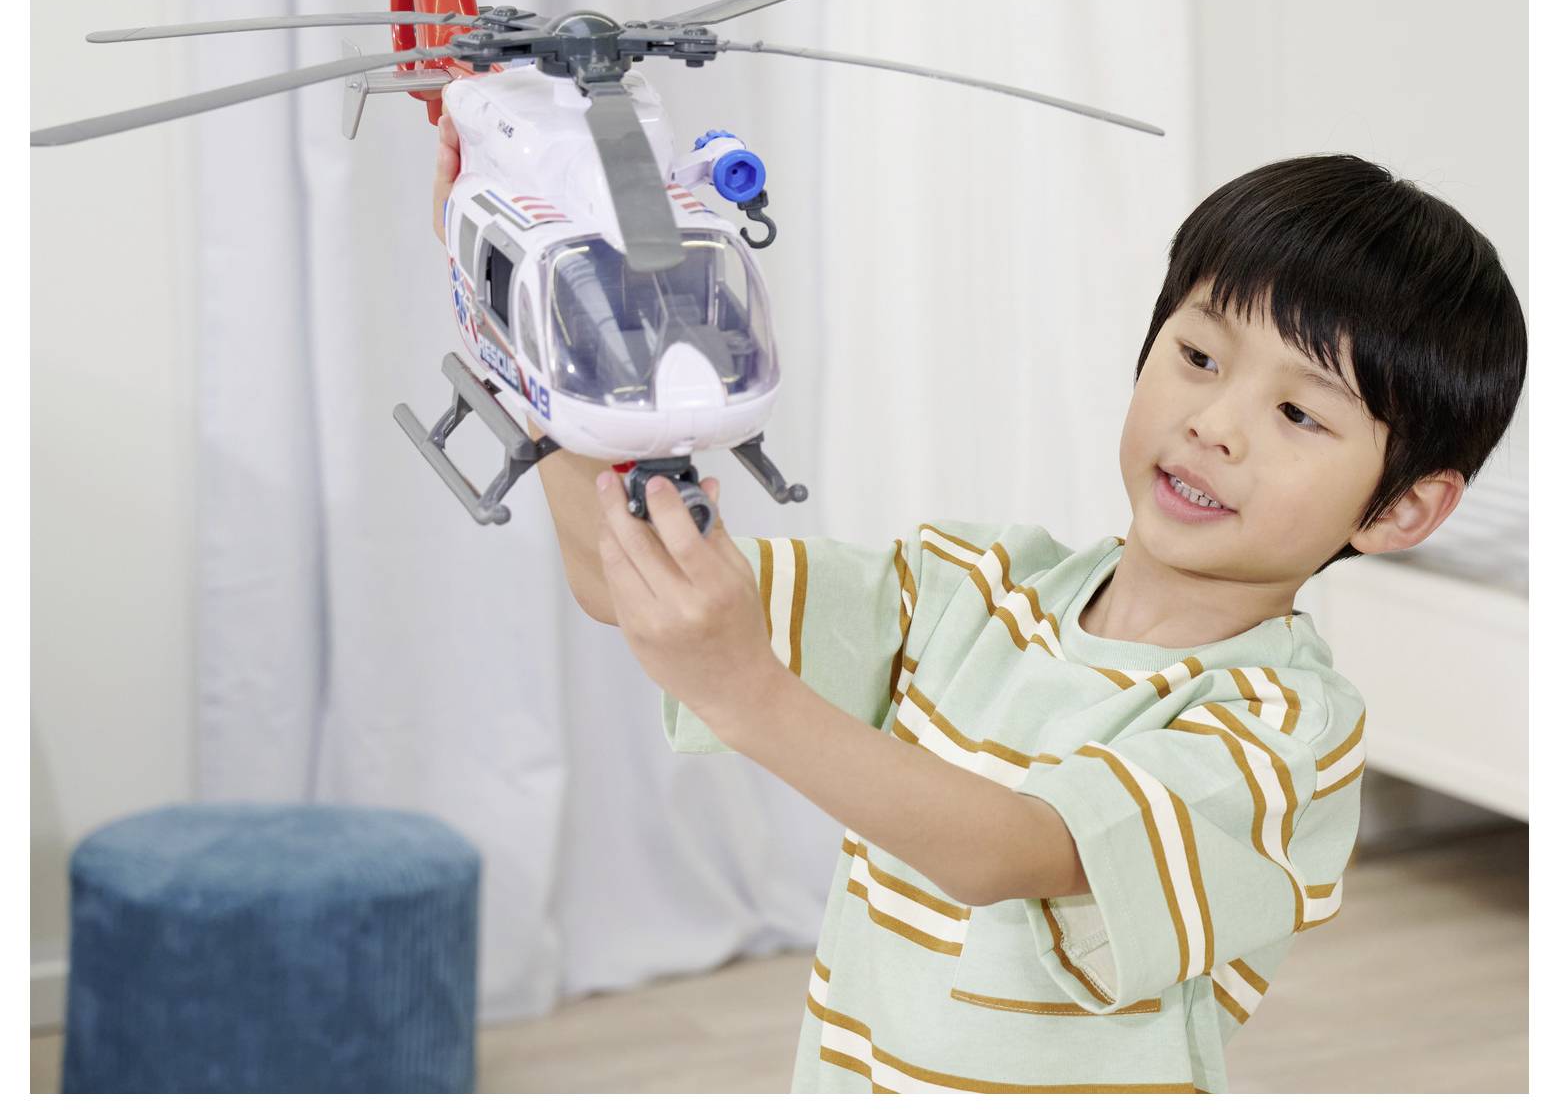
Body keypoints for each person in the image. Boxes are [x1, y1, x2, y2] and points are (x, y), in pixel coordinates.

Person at [432, 112, 1527, 1094]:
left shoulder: (1283, 728)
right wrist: (553, 339)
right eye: (1196, 355)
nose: (1215, 423)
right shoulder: (969, 583)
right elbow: (627, 587)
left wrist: (748, 692)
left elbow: (1007, 847)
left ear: (1397, 510)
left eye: (1297, 414)